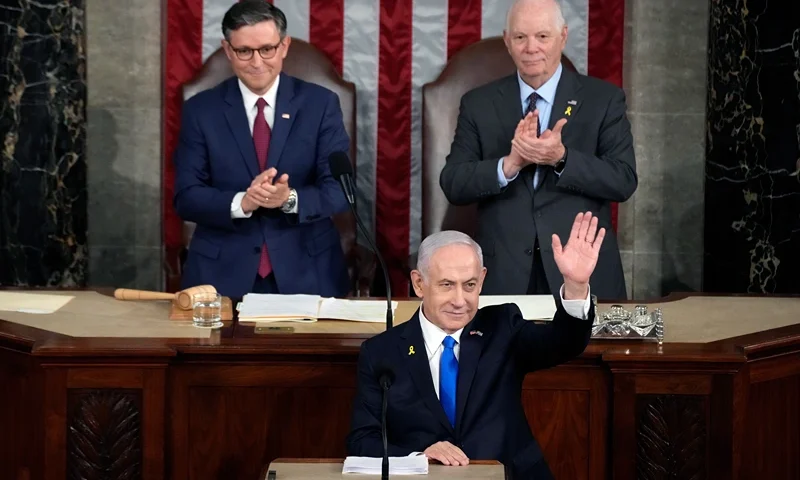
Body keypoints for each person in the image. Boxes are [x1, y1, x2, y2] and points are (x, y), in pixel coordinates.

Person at [346, 211, 602, 479]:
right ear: (419, 284)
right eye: (447, 285)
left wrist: (575, 286)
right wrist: (418, 456)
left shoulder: (503, 327)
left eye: (469, 285)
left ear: (481, 279)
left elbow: (564, 343)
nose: (460, 300)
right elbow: (362, 441)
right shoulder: (381, 353)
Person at [439, 0, 636, 300]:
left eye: (542, 36)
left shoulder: (603, 100)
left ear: (563, 36)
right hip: (503, 273)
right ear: (507, 41)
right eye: (520, 37)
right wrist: (508, 165)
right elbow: (453, 182)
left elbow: (623, 180)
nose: (531, 48)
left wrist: (562, 158)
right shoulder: (478, 103)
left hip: (579, 269)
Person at [173, 0, 350, 298]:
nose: (257, 62)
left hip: (307, 272)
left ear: (284, 46)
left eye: (267, 49)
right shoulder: (200, 111)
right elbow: (186, 197)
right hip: (222, 277)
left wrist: (288, 198)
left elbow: (339, 192)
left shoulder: (320, 105)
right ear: (228, 50)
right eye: (244, 51)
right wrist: (243, 202)